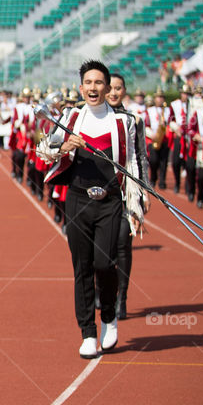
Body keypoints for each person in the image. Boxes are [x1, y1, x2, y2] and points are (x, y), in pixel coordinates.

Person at [38, 60, 144, 358]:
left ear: (108, 88)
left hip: (109, 201)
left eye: (99, 83)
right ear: (81, 87)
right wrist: (64, 147)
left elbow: (134, 163)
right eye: (88, 83)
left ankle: (108, 315)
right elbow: (44, 152)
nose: (93, 88)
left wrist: (135, 202)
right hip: (77, 200)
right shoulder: (70, 117)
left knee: (103, 264)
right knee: (82, 267)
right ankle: (87, 332)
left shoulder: (125, 123)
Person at [106, 74, 151, 320]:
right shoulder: (93, 118)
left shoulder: (134, 120)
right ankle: (104, 290)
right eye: (110, 88)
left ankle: (121, 297)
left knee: (124, 244)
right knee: (101, 250)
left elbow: (142, 156)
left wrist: (145, 190)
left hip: (127, 191)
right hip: (100, 192)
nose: (113, 93)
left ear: (124, 91)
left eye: (118, 88)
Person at [145, 89, 171, 189]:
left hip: (165, 139)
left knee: (164, 161)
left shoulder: (168, 110)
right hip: (154, 139)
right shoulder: (150, 110)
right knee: (154, 160)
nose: (160, 99)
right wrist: (153, 135)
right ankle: (153, 178)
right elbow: (146, 124)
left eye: (161, 97)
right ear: (155, 99)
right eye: (158, 97)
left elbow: (171, 122)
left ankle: (162, 181)